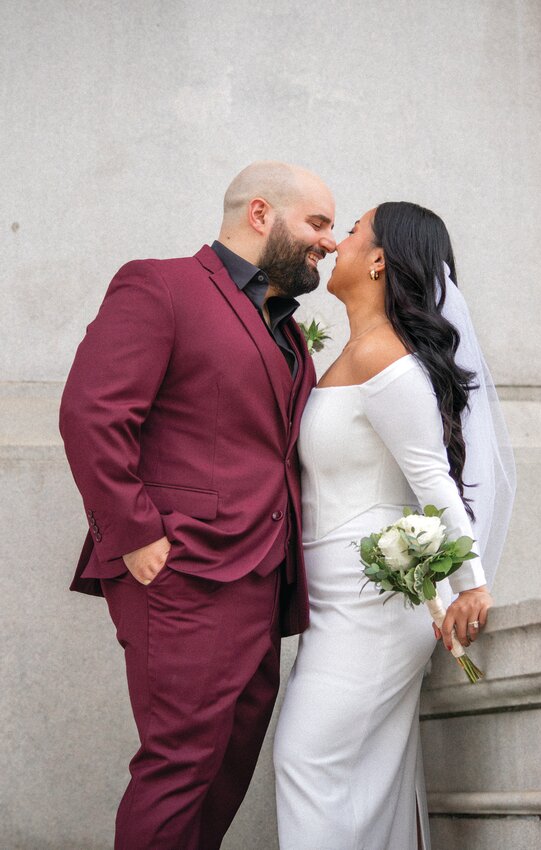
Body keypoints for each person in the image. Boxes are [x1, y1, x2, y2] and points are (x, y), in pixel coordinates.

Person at [59, 161, 336, 850]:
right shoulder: (161, 286)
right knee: (179, 764)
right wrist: (136, 535)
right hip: (182, 570)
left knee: (224, 768)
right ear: (261, 214)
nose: (328, 242)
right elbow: (92, 414)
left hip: (260, 578)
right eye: (318, 223)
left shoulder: (287, 328)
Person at [274, 201, 515, 850]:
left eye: (351, 231)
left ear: (378, 258)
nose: (337, 243)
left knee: (306, 762)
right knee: (356, 785)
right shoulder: (354, 352)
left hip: (371, 606)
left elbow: (432, 479)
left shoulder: (386, 359)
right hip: (333, 601)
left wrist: (471, 583)